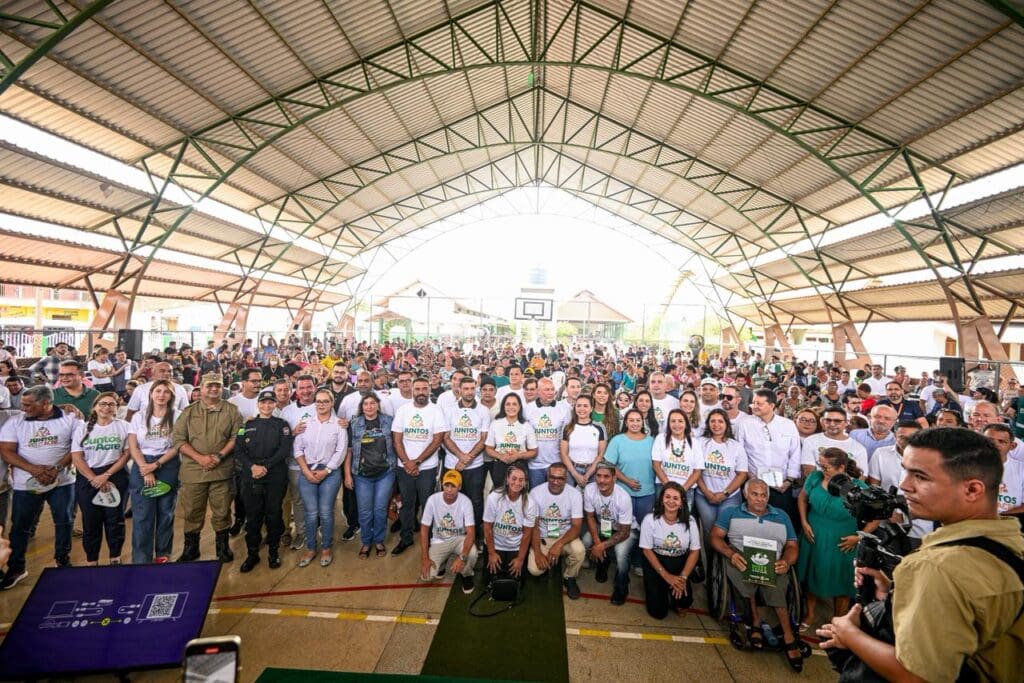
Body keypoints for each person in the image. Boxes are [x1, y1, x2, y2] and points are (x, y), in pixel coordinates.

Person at [818, 428, 1024, 681]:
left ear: (972, 490)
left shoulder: (938, 568)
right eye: (906, 471)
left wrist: (849, 633)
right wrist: (896, 592)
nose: (904, 485)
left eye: (921, 477)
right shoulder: (1010, 543)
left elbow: (917, 676)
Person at [711, 478, 803, 671]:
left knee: (777, 588)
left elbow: (792, 546)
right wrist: (731, 553)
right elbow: (715, 537)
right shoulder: (731, 513)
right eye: (755, 494)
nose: (759, 499)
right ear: (745, 494)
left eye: (763, 495)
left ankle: (788, 635)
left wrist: (786, 561)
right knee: (746, 577)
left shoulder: (782, 516)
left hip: (774, 562)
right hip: (742, 559)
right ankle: (754, 622)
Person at [0, 385, 78, 589]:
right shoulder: (15, 420)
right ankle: (16, 567)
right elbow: (7, 451)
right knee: (20, 526)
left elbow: (77, 446)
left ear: (45, 403)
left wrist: (58, 467)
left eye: (28, 404)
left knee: (64, 521)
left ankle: (63, 560)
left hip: (62, 482)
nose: (23, 408)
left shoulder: (70, 418)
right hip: (25, 484)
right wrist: (33, 469)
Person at [798, 447, 877, 630]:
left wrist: (857, 537)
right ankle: (810, 614)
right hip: (813, 535)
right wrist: (803, 522)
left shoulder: (858, 488)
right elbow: (802, 498)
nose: (822, 470)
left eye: (826, 467)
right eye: (821, 465)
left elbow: (876, 518)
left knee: (842, 582)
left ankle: (837, 621)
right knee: (812, 576)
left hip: (842, 541)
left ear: (841, 467)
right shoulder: (815, 478)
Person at [172, 373, 244, 563]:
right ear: (201, 388)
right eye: (210, 385)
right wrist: (200, 458)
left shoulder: (231, 410)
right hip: (194, 471)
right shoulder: (188, 412)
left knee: (222, 511)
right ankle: (191, 548)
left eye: (218, 386)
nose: (214, 389)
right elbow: (178, 440)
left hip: (222, 470)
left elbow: (237, 437)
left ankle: (222, 547)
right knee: (193, 511)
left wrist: (219, 456)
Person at [234, 389, 292, 572]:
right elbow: (238, 450)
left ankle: (273, 552)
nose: (267, 406)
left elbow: (284, 450)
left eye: (270, 403)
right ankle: (252, 554)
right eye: (263, 403)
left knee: (274, 514)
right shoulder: (247, 425)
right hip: (251, 476)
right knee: (253, 517)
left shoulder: (282, 424)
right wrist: (252, 467)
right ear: (258, 404)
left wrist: (264, 466)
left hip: (274, 476)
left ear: (275, 405)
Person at [71, 392, 130, 565]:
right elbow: (77, 457)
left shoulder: (124, 426)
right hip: (87, 477)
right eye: (103, 404)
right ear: (95, 406)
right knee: (90, 521)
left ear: (116, 408)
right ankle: (92, 560)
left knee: (115, 520)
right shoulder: (82, 428)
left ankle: (115, 557)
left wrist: (106, 475)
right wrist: (93, 478)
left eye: (111, 404)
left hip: (116, 475)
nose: (106, 407)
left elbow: (126, 454)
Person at [127, 380, 180, 563]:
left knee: (166, 513)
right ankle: (141, 559)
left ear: (171, 396)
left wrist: (156, 465)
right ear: (151, 394)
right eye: (158, 391)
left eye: (166, 392)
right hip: (142, 464)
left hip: (168, 464)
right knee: (142, 515)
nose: (161, 395)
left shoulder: (177, 416)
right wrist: (145, 468)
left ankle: (163, 555)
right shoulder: (138, 417)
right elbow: (133, 446)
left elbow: (177, 445)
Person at [392, 377, 447, 555]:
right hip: (404, 467)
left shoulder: (436, 411)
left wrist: (417, 462)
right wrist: (407, 462)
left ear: (429, 390)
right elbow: (397, 439)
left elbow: (437, 440)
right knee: (407, 504)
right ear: (412, 390)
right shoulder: (402, 411)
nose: (421, 392)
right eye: (418, 389)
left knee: (427, 504)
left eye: (425, 388)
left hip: (427, 468)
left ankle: (430, 540)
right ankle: (406, 538)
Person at [293, 389, 347, 568]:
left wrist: (327, 471)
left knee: (325, 511)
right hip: (307, 470)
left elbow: (341, 450)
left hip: (329, 473)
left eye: (325, 401)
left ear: (332, 403)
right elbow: (298, 449)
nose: (321, 404)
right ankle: (310, 547)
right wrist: (306, 471)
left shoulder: (339, 425)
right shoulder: (306, 424)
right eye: (318, 401)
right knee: (311, 512)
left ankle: (326, 547)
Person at [736, 389, 802, 525]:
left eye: (759, 404)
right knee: (751, 523)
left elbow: (795, 454)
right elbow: (740, 454)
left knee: (779, 522)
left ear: (772, 406)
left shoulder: (788, 425)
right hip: (752, 484)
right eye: (753, 403)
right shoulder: (744, 423)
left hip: (781, 485)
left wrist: (789, 481)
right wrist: (751, 479)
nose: (754, 406)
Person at [639, 482, 701, 619]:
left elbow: (695, 551)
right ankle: (660, 588)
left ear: (682, 502)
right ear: (661, 499)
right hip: (656, 562)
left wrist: (682, 578)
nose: (671, 501)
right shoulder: (650, 520)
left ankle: (675, 592)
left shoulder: (690, 522)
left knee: (683, 606)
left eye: (675, 498)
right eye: (667, 497)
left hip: (679, 563)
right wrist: (667, 576)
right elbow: (647, 550)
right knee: (658, 613)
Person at [866, 421, 933, 548]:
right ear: (895, 435)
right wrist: (888, 513)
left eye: (912, 437)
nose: (907, 440)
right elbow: (874, 489)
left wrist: (904, 516)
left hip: (920, 528)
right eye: (902, 436)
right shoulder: (880, 454)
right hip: (886, 525)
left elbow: (934, 496)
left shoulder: (931, 459)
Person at [345, 393, 396, 559]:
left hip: (385, 473)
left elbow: (396, 443)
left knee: (380, 509)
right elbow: (349, 451)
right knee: (365, 511)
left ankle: (379, 540)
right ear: (362, 406)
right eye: (365, 404)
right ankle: (366, 541)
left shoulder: (389, 421)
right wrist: (347, 475)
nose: (369, 407)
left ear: (377, 404)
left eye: (372, 403)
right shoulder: (354, 423)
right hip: (362, 474)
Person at [528, 463, 586, 599]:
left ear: (566, 479)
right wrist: (537, 553)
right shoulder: (535, 493)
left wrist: (558, 545)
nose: (555, 481)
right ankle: (550, 560)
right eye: (552, 477)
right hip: (543, 536)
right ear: (547, 477)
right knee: (534, 570)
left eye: (560, 478)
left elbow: (577, 527)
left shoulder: (575, 494)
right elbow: (533, 527)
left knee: (579, 551)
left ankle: (569, 577)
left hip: (565, 536)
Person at [583, 461, 635, 605]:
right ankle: (602, 564)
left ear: (614, 478)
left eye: (606, 476)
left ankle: (622, 586)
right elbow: (590, 517)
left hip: (625, 530)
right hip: (604, 526)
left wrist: (601, 546)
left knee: (621, 552)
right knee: (587, 540)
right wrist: (598, 542)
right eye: (598, 476)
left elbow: (625, 532)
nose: (601, 480)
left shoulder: (623, 497)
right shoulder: (589, 490)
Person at [442, 376, 490, 532]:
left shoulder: (483, 411)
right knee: (452, 499)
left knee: (475, 500)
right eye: (466, 389)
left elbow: (484, 439)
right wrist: (460, 456)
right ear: (459, 390)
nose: (469, 392)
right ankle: (454, 530)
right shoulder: (449, 410)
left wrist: (467, 458)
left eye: (472, 388)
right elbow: (445, 437)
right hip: (452, 464)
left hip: (475, 465)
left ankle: (474, 533)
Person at [419, 469, 478, 594]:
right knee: (427, 575)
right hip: (439, 541)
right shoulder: (432, 500)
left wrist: (462, 557)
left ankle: (466, 575)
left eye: (453, 486)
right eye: (447, 485)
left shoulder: (465, 502)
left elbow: (471, 533)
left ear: (459, 487)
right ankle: (442, 563)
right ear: (442, 485)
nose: (449, 490)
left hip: (459, 539)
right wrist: (424, 557)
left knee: (472, 554)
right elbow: (424, 529)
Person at [693, 408, 748, 536]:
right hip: (704, 496)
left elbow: (742, 474)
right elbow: (696, 471)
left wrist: (724, 493)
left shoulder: (736, 446)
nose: (716, 425)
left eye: (720, 421)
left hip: (730, 496)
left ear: (727, 424)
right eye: (713, 421)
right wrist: (707, 493)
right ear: (708, 424)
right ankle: (711, 557)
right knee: (708, 532)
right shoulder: (700, 443)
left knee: (727, 532)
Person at [483, 465, 536, 584]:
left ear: (525, 482)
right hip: (496, 545)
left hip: (516, 547)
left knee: (517, 580)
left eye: (521, 480)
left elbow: (527, 534)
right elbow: (487, 528)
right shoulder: (494, 497)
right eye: (514, 478)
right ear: (507, 479)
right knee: (490, 580)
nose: (517, 483)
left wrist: (520, 559)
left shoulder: (530, 503)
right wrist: (491, 553)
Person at [484, 393, 538, 489]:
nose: (511, 407)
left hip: (520, 466)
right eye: (508, 404)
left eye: (514, 404)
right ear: (503, 406)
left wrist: (518, 455)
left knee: (519, 498)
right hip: (500, 466)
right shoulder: (496, 423)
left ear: (519, 406)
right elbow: (488, 448)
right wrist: (500, 456)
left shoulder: (526, 425)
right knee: (500, 497)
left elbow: (534, 451)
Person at [651, 409, 703, 506]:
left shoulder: (695, 443)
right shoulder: (661, 438)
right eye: (673, 421)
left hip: (686, 489)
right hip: (663, 486)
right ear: (668, 423)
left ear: (686, 423)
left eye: (680, 421)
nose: (676, 424)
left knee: (683, 519)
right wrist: (668, 486)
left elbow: (697, 471)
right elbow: (656, 465)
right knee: (661, 517)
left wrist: (682, 489)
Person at [799, 407, 869, 478]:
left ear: (846, 423)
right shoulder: (810, 441)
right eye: (828, 420)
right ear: (823, 421)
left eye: (837, 421)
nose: (832, 424)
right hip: (816, 487)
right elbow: (809, 473)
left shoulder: (859, 448)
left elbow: (861, 477)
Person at [560, 394, 606, 487]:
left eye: (585, 406)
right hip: (571, 470)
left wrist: (588, 474)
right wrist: (575, 474)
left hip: (593, 471)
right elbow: (563, 453)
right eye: (579, 405)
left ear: (591, 408)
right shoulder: (567, 428)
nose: (582, 409)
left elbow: (601, 454)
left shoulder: (599, 427)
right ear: (574, 407)